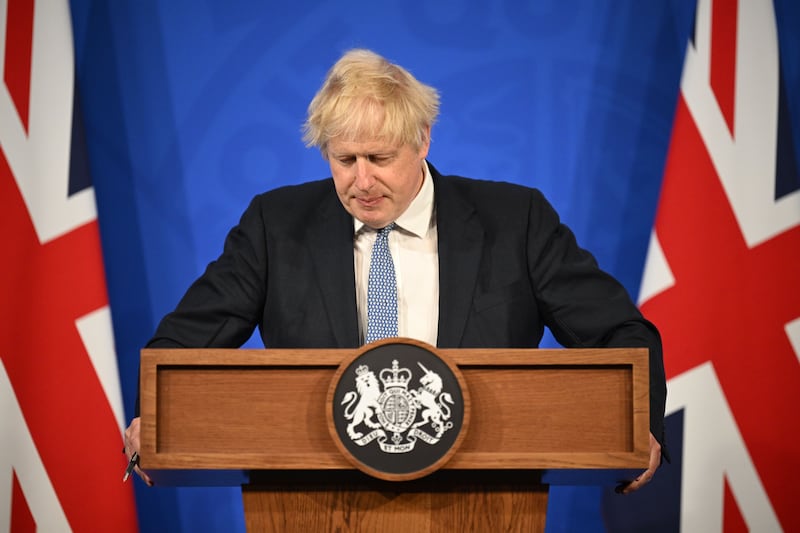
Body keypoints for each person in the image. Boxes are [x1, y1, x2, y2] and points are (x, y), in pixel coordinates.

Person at [123, 48, 667, 493]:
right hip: (312, 503)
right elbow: (182, 345)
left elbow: (621, 333)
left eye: (380, 159)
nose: (361, 181)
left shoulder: (514, 221)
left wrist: (638, 423)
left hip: (486, 501)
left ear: (422, 141)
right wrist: (154, 415)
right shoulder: (276, 224)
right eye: (344, 160)